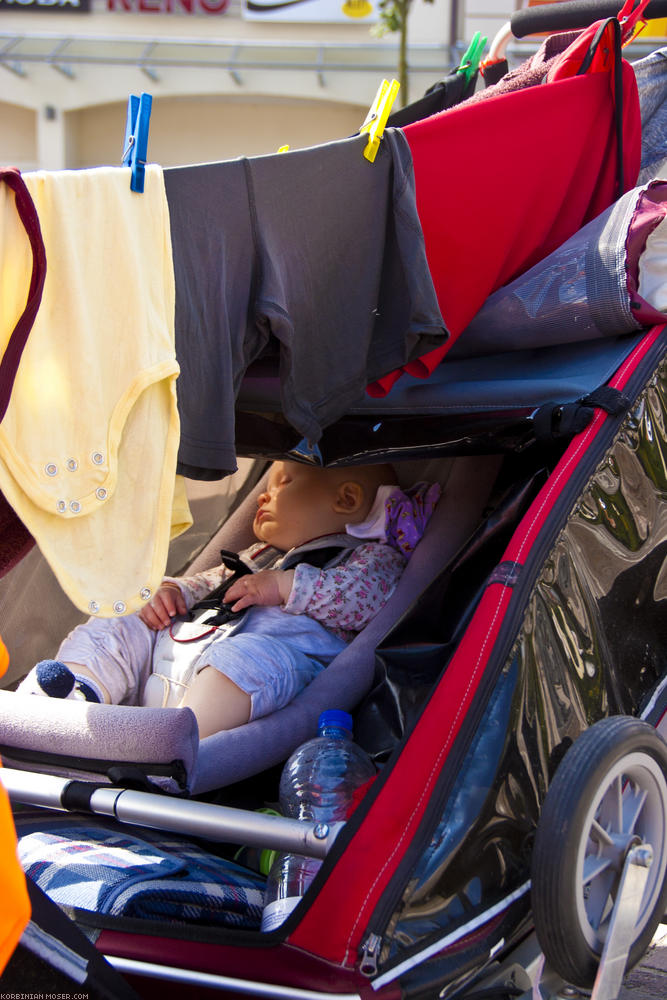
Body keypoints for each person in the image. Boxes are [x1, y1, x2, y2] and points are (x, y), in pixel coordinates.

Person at [19, 461, 440, 740]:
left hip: (249, 678)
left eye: (284, 484)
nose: (262, 495)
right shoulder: (256, 557)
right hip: (176, 659)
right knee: (126, 613)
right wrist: (171, 593)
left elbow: (365, 601)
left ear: (345, 500)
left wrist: (285, 586)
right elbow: (205, 583)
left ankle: (174, 739)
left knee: (252, 660)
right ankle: (71, 698)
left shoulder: (370, 559)